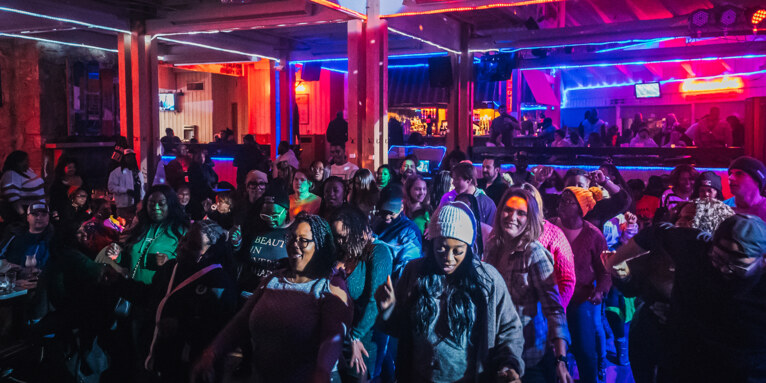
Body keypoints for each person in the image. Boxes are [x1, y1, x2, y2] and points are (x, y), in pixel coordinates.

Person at [375, 202, 526, 382]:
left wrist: (509, 364)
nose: (448, 258)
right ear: (431, 245)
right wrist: (389, 309)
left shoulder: (487, 280)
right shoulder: (414, 272)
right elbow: (400, 330)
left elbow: (509, 329)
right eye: (442, 248)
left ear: (469, 249)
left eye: (458, 251)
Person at [605, 214, 766, 382]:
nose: (725, 269)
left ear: (763, 260)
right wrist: (613, 262)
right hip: (683, 363)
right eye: (718, 259)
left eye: (737, 265)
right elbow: (653, 233)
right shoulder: (695, 247)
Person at [193, 213, 352, 383]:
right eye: (292, 237)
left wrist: (322, 371)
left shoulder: (329, 286)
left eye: (303, 240)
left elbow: (332, 337)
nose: (294, 244)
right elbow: (241, 321)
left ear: (320, 246)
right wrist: (212, 352)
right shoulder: (273, 279)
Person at [110, 221, 237, 382]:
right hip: (155, 359)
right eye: (184, 239)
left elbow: (217, 327)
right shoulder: (171, 267)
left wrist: (181, 325)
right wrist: (118, 283)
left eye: (193, 244)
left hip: (186, 367)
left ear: (210, 251)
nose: (183, 245)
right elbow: (150, 296)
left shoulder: (218, 282)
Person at [484, 189, 572, 383]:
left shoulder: (535, 254)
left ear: (530, 218)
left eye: (521, 213)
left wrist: (561, 359)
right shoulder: (492, 248)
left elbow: (554, 309)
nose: (512, 217)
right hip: (496, 353)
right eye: (507, 210)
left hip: (529, 356)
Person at [551, 187, 610, 383]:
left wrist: (600, 291)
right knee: (552, 354)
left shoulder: (593, 235)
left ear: (581, 208)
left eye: (568, 201)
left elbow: (605, 270)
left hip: (579, 301)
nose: (562, 204)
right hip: (551, 301)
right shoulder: (548, 227)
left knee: (585, 352)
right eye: (562, 200)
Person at [330, 207, 393, 382]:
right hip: (338, 335)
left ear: (359, 231)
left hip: (363, 338)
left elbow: (375, 302)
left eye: (344, 236)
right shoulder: (346, 252)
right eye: (337, 236)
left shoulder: (378, 252)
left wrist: (355, 336)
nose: (340, 241)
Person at [104, 185, 189, 285]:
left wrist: (169, 262)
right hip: (132, 291)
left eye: (161, 204)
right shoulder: (141, 227)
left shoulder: (181, 231)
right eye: (152, 204)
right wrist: (118, 255)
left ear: (170, 205)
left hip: (158, 294)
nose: (156, 208)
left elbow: (188, 266)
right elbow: (131, 259)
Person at [519, 183, 577, 310]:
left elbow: (566, 280)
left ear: (537, 206)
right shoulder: (502, 232)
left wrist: (554, 311)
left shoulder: (554, 235)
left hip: (542, 311)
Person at [232, 182, 293, 292]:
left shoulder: (294, 232)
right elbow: (240, 257)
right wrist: (237, 244)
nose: (270, 219)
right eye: (265, 215)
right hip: (248, 289)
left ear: (286, 211)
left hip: (274, 293)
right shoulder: (256, 227)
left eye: (275, 215)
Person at [373, 187, 422, 281]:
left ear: (401, 207)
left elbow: (408, 264)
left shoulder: (410, 230)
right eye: (384, 212)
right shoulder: (378, 223)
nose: (387, 217)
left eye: (391, 213)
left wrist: (377, 243)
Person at [0, 202, 54, 269]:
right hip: (9, 276)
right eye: (35, 214)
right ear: (27, 217)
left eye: (43, 215)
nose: (39, 218)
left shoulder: (54, 240)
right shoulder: (14, 235)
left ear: (48, 217)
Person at [1, 150, 46, 223]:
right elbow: (14, 199)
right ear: (16, 162)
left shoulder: (28, 171)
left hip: (38, 212)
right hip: (27, 214)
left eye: (27, 160)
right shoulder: (11, 175)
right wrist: (23, 216)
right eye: (24, 161)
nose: (27, 163)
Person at [108, 149, 145, 224]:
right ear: (123, 158)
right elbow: (111, 187)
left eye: (132, 157)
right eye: (127, 157)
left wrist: (142, 201)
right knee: (123, 228)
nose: (130, 159)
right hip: (123, 207)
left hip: (136, 207)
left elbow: (142, 188)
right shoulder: (116, 172)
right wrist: (126, 190)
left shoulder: (138, 172)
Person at [725, 156, 766, 221]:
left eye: (739, 173)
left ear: (757, 180)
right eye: (730, 173)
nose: (730, 177)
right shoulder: (722, 209)